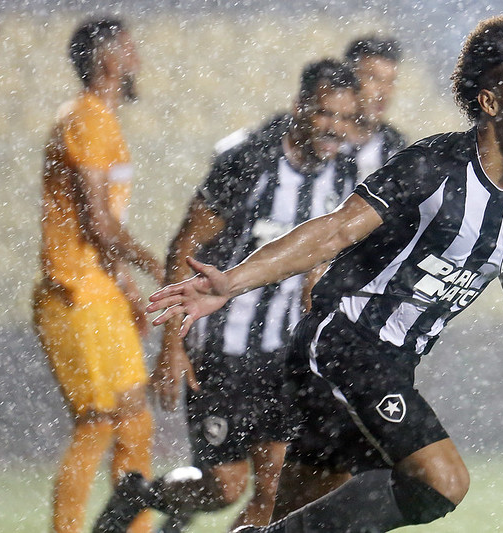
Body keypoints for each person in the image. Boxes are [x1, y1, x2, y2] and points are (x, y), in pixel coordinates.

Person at [148, 16, 503, 532]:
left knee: (293, 509)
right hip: (343, 343)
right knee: (441, 481)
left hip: (386, 363)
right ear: (491, 103)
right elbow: (335, 231)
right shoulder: (433, 165)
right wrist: (231, 282)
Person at [93, 59, 361, 533]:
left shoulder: (340, 176)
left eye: (345, 119)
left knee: (275, 487)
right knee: (225, 488)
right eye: (325, 114)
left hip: (282, 357)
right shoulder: (248, 161)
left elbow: (316, 261)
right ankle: (145, 494)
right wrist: (172, 346)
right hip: (221, 352)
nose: (334, 129)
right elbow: (185, 245)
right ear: (300, 107)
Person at [32, 17, 163, 533]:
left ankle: (134, 527)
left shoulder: (104, 121)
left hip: (101, 292)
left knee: (136, 421)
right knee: (97, 424)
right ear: (108, 59)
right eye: (130, 49)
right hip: (72, 294)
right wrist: (155, 266)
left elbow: (102, 231)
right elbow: (97, 221)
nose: (137, 60)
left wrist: (126, 287)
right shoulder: (84, 119)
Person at [343, 35, 407, 183]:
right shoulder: (323, 138)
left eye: (391, 81)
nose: (384, 92)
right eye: (374, 78)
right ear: (349, 78)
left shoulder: (395, 149)